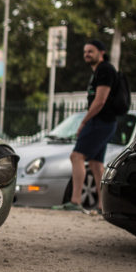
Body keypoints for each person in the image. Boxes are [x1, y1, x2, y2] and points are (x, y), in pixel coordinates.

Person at [54, 40, 117, 212]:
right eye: (85, 52)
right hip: (105, 122)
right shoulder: (98, 71)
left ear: (101, 52)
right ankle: (103, 206)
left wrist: (84, 121)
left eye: (91, 51)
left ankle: (75, 201)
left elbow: (100, 100)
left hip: (101, 121)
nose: (87, 54)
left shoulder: (105, 69)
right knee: (96, 164)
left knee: (76, 156)